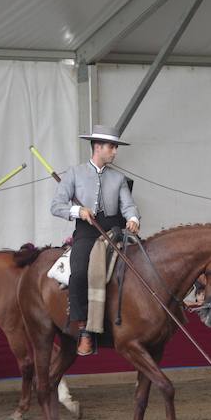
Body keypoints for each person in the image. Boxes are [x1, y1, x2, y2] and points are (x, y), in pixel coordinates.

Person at [51, 125, 140, 356]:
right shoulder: (74, 173)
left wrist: (132, 218)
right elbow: (56, 206)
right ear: (98, 147)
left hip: (113, 231)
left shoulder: (118, 178)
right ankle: (84, 330)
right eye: (112, 147)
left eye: (115, 147)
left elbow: (128, 205)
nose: (115, 152)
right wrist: (78, 211)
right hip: (86, 231)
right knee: (79, 272)